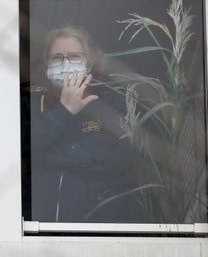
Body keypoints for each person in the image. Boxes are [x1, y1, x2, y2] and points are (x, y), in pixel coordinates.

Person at [22, 25, 137, 223]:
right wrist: (63, 111)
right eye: (56, 57)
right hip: (35, 228)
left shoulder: (112, 101)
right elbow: (20, 148)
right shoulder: (29, 101)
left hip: (98, 228)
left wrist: (42, 155)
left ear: (89, 64)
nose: (65, 63)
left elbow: (109, 160)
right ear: (46, 65)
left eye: (75, 56)